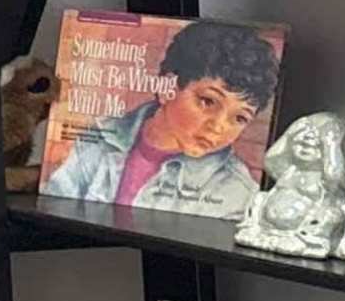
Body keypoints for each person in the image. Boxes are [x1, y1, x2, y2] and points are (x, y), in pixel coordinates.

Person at [42, 19, 279, 217]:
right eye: (208, 102)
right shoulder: (100, 135)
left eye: (239, 118)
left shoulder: (235, 188)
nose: (218, 127)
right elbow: (56, 206)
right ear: (169, 87)